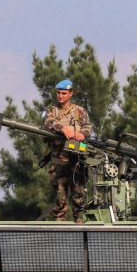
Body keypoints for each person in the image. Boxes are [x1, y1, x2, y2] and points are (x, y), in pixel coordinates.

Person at [43, 79, 92, 223]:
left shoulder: (79, 111)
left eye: (64, 93)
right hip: (58, 159)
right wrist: (62, 129)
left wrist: (82, 134)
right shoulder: (51, 111)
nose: (60, 96)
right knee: (60, 196)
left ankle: (80, 224)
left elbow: (87, 127)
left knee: (79, 194)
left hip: (76, 159)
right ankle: (60, 226)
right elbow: (48, 122)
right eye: (58, 93)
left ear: (71, 94)